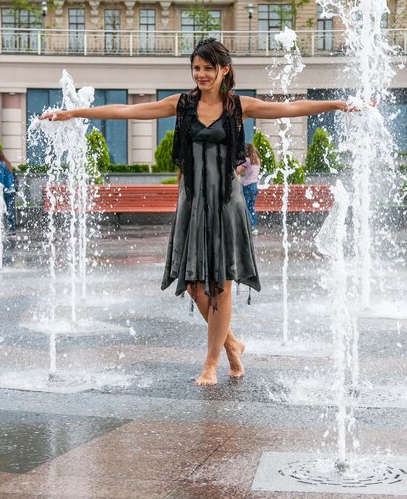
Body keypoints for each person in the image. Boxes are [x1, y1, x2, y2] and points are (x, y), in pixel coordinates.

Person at [40, 38, 355, 386]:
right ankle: (232, 343)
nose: (201, 74)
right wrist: (75, 113)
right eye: (196, 68)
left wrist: (338, 105)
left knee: (220, 283)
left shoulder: (239, 107)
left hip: (225, 202)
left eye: (208, 68)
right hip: (191, 202)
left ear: (224, 70)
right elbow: (127, 111)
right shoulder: (181, 105)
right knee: (192, 282)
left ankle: (212, 364)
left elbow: (292, 108)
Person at [237, 143, 261, 235]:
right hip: (255, 185)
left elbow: (238, 170)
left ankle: (250, 226)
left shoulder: (247, 160)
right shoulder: (257, 160)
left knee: (246, 206)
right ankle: (254, 227)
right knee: (252, 207)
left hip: (247, 185)